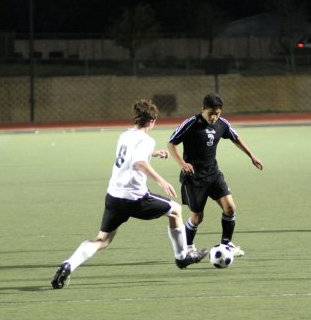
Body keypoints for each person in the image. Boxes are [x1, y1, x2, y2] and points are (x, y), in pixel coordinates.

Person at [51, 100, 208, 289]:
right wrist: (161, 181)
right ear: (151, 120)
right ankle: (182, 257)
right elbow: (138, 162)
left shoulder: (125, 135)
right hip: (135, 199)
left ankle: (69, 264)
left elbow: (130, 157)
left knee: (102, 240)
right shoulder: (146, 140)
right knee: (175, 210)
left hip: (113, 196)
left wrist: (154, 153)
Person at [167, 92, 263, 257]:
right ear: (202, 109)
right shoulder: (191, 123)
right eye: (210, 113)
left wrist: (252, 156)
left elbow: (235, 138)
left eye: (217, 114)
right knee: (197, 216)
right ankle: (188, 246)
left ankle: (226, 245)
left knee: (230, 208)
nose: (213, 117)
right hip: (194, 178)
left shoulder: (222, 124)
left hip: (213, 175)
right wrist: (182, 163)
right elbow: (171, 143)